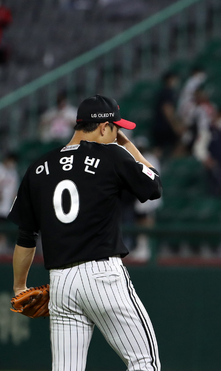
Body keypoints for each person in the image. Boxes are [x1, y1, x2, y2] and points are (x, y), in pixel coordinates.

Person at [8, 94, 162, 370]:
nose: (118, 135)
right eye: (117, 129)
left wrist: (20, 286)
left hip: (61, 283)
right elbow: (154, 185)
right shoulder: (112, 154)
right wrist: (129, 149)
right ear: (104, 127)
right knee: (144, 361)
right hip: (103, 276)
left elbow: (25, 237)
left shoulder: (38, 168)